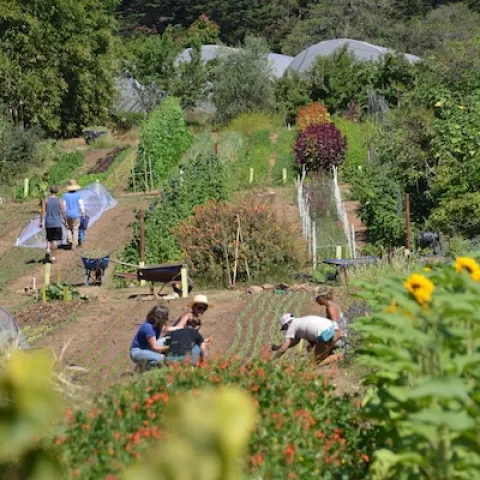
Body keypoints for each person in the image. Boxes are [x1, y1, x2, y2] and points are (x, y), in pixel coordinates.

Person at [271, 313, 343, 366]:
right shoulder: (300, 322)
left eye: (284, 328)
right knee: (317, 351)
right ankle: (338, 357)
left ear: (286, 324)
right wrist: (277, 347)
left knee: (316, 363)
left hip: (326, 334)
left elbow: (283, 349)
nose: (286, 330)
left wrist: (272, 360)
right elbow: (294, 342)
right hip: (336, 330)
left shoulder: (291, 326)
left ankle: (339, 356)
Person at [130, 304, 170, 368]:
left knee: (169, 339)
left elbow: (167, 329)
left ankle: (145, 366)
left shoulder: (156, 325)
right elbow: (155, 348)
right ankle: (142, 367)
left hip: (148, 349)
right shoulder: (148, 327)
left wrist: (181, 328)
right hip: (138, 351)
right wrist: (170, 347)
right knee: (161, 359)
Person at [39, 185, 67, 263]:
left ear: (50, 191)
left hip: (48, 222)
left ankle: (48, 249)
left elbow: (43, 211)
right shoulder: (60, 200)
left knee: (49, 238)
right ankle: (53, 257)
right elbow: (63, 212)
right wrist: (66, 221)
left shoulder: (46, 200)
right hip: (57, 223)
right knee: (54, 240)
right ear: (57, 191)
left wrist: (41, 221)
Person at [63, 179, 85, 250]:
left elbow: (64, 206)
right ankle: (74, 244)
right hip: (76, 215)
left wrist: (64, 214)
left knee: (68, 228)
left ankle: (69, 240)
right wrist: (83, 212)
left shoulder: (65, 195)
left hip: (68, 215)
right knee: (75, 229)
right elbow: (81, 204)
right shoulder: (78, 195)